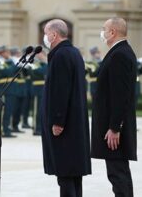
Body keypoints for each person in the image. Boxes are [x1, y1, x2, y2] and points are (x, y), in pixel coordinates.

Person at [41, 19, 91, 197]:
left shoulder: (61, 55)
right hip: (74, 122)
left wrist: (57, 120)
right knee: (73, 174)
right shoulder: (73, 52)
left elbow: (61, 91)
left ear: (54, 35)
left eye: (46, 33)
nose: (45, 37)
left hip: (65, 124)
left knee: (65, 174)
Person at [91, 17, 137, 197]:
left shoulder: (119, 54)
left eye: (104, 29)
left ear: (112, 32)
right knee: (118, 172)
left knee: (117, 173)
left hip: (114, 129)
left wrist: (114, 127)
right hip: (113, 125)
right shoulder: (120, 52)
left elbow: (120, 95)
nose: (102, 32)